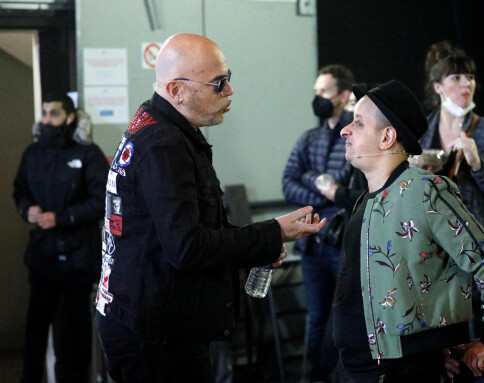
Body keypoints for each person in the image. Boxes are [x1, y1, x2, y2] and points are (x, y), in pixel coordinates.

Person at [93, 33, 326, 383]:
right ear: (176, 91)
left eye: (228, 78)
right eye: (218, 84)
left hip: (151, 320)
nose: (230, 92)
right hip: (155, 336)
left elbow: (196, 229)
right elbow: (187, 247)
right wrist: (273, 233)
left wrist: (263, 241)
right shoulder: (164, 146)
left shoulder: (161, 128)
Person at [333, 80, 484, 382]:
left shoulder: (425, 191)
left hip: (399, 372)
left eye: (358, 123)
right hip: (357, 367)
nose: (345, 130)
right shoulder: (364, 201)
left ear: (387, 137)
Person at [13, 92, 109, 383]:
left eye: (53, 113)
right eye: (44, 113)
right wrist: (26, 210)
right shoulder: (33, 153)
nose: (46, 119)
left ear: (69, 117)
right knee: (36, 326)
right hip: (43, 255)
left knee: (75, 329)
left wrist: (62, 217)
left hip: (79, 257)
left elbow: (102, 200)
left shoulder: (88, 153)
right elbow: (20, 191)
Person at [282, 64, 355, 381]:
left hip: (341, 241)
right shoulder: (309, 138)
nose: (318, 98)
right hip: (311, 243)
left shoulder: (355, 134)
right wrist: (319, 188)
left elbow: (348, 185)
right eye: (316, 92)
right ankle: (312, 376)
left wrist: (331, 190)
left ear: (342, 96)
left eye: (323, 92)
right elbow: (288, 182)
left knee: (341, 316)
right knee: (316, 315)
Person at [420, 41, 484, 251]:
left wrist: (478, 165)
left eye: (470, 78)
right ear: (438, 87)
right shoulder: (421, 132)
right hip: (433, 249)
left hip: (480, 251)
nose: (466, 84)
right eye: (456, 78)